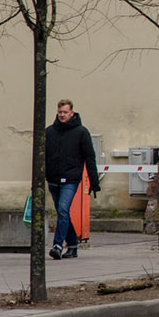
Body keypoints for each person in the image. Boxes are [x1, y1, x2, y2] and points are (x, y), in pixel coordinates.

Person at [44, 99, 100, 259]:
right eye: (60, 112)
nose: (62, 115)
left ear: (72, 113)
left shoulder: (81, 132)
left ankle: (57, 245)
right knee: (64, 213)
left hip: (70, 179)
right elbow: (42, 157)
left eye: (65, 112)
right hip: (53, 179)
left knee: (62, 209)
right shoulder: (49, 132)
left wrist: (94, 183)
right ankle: (73, 245)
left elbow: (90, 157)